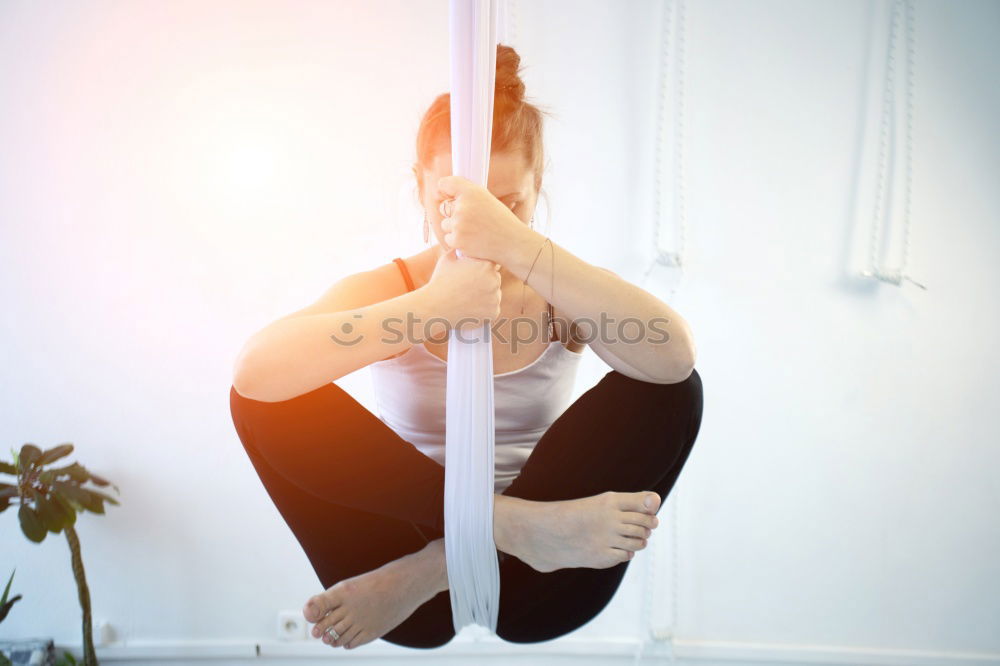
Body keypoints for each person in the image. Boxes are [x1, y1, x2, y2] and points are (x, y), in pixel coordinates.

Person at [228, 44, 703, 651]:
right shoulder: (392, 286)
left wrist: (519, 248)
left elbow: (674, 358)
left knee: (673, 389)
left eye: (509, 205)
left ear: (538, 188)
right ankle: (500, 528)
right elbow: (254, 373)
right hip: (395, 579)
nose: (479, 225)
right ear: (420, 189)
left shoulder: (561, 290)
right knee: (263, 398)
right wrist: (430, 308)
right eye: (451, 203)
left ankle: (445, 561)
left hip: (546, 575)